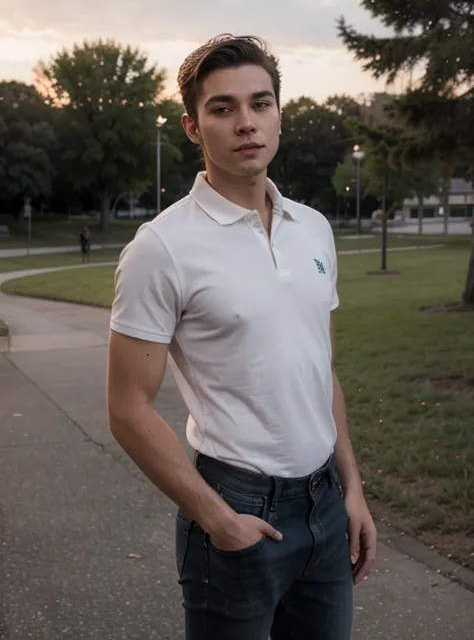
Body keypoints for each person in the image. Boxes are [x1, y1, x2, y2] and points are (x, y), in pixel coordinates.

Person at [106, 34, 377, 640]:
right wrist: (217, 518)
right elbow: (127, 409)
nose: (246, 123)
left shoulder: (313, 228)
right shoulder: (161, 247)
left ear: (280, 113)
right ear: (193, 127)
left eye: (261, 103)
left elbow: (320, 370)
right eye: (223, 109)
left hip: (326, 506)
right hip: (236, 503)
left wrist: (351, 489)